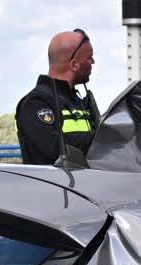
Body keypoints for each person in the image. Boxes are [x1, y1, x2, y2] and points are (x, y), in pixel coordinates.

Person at [15, 28, 98, 165]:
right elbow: (56, 148)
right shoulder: (36, 103)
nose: (93, 62)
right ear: (74, 64)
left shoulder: (76, 99)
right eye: (89, 58)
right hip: (51, 186)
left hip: (82, 184)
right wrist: (106, 136)